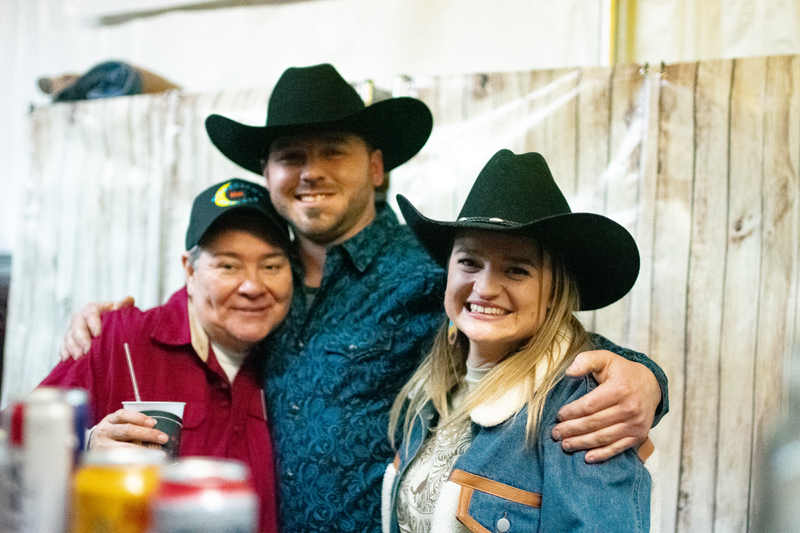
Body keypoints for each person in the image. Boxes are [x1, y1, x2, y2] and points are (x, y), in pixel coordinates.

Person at [60, 64, 668, 533]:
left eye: (333, 151)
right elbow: (198, 308)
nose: (311, 172)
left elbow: (537, 328)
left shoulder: (430, 269)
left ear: (376, 168)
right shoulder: (263, 285)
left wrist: (644, 380)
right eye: (291, 157)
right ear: (267, 175)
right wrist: (106, 322)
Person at [384, 149, 653, 533]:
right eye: (469, 262)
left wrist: (651, 380)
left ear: (555, 290)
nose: (485, 288)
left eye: (516, 270)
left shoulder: (581, 407)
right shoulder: (432, 390)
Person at [42, 178, 292, 533]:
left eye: (271, 266)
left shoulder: (299, 356)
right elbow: (18, 448)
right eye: (228, 266)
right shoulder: (117, 339)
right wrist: (85, 447)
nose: (253, 286)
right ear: (190, 270)